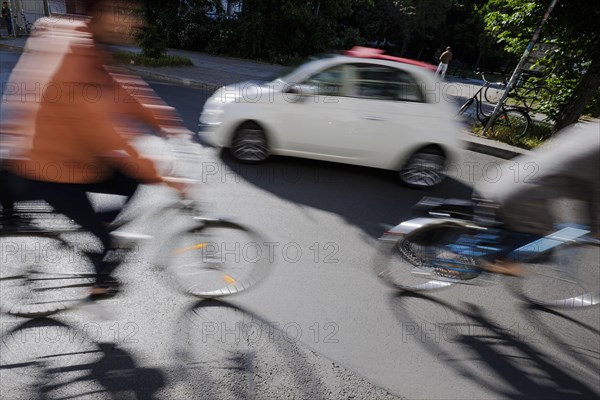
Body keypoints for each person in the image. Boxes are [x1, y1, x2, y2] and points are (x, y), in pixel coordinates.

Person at [1, 0, 191, 297]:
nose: (133, 21)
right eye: (123, 12)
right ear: (97, 14)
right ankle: (99, 282)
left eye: (132, 13)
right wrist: (164, 176)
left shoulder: (89, 45)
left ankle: (101, 227)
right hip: (52, 171)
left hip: (78, 160)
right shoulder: (74, 59)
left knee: (130, 179)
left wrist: (163, 118)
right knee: (108, 243)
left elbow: (120, 89)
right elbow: (103, 132)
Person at [473, 122, 600, 275]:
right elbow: (596, 195)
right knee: (544, 240)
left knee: (494, 231)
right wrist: (595, 229)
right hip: (520, 196)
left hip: (499, 178)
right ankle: (500, 261)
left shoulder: (587, 129)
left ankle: (456, 255)